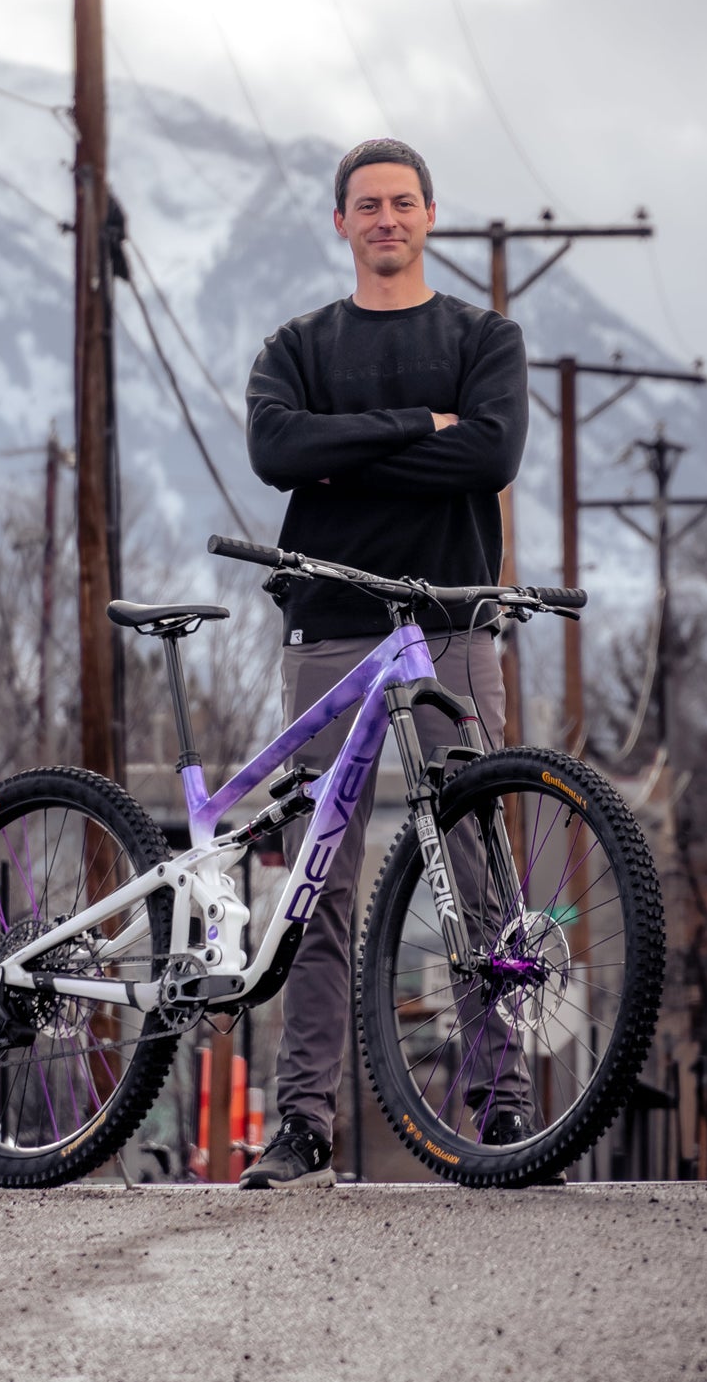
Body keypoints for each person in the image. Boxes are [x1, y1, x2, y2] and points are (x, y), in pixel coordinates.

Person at [237, 137, 533, 1190]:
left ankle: (503, 1103)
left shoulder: (485, 338)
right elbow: (277, 451)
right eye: (367, 205)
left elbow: (490, 453)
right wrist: (418, 426)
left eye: (403, 202)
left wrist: (345, 450)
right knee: (318, 880)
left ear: (430, 215)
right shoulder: (297, 345)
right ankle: (303, 1123)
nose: (387, 219)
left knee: (478, 872)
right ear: (341, 223)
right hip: (329, 626)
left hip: (452, 623)